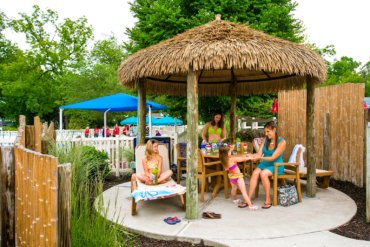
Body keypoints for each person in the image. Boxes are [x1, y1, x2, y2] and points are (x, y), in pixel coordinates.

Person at [247, 121, 286, 209]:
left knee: (263, 174)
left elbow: (273, 157)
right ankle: (248, 198)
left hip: (276, 165)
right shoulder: (265, 140)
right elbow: (259, 153)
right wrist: (251, 156)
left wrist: (259, 158)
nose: (266, 134)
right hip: (265, 163)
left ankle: (268, 199)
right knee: (255, 173)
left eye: (268, 131)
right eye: (265, 132)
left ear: (274, 129)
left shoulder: (282, 142)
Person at [219, 145, 258, 210]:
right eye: (229, 151)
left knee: (234, 189)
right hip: (238, 177)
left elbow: (227, 167)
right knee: (244, 192)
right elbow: (242, 159)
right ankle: (250, 206)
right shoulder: (232, 159)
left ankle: (234, 200)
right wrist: (250, 157)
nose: (230, 152)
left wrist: (230, 149)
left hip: (231, 177)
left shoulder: (223, 160)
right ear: (227, 153)